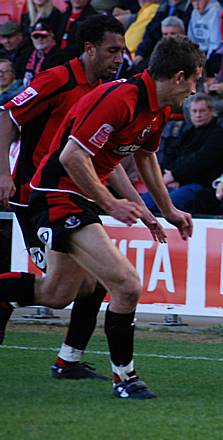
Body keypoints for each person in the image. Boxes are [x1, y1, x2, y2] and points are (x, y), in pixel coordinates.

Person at [0, 36, 202, 399]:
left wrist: (167, 210)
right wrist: (112, 204)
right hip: (58, 196)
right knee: (127, 284)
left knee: (58, 293)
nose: (194, 90)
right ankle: (125, 378)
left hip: (80, 197)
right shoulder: (120, 99)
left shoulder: (156, 108)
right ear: (178, 76)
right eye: (194, 81)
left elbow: (145, 157)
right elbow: (72, 157)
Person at [0, 15, 155, 382]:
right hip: (36, 194)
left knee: (98, 280)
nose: (119, 58)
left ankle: (68, 360)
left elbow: (103, 155)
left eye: (123, 50)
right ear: (89, 49)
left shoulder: (109, 90)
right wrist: (3, 175)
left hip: (76, 195)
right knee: (57, 292)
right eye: (112, 50)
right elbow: (6, 117)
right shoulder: (58, 79)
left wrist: (135, 203)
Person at [142, 92, 223, 214]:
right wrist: (172, 177)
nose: (198, 115)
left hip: (200, 187)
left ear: (211, 111)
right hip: (177, 183)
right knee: (143, 203)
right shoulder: (188, 132)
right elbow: (171, 154)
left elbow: (199, 161)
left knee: (164, 206)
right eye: (194, 111)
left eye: (202, 111)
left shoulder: (219, 135)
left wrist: (174, 175)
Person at [22, 21, 66, 87]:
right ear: (31, 38)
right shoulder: (26, 53)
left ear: (51, 36)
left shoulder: (60, 56)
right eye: (36, 36)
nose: (39, 39)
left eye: (43, 36)